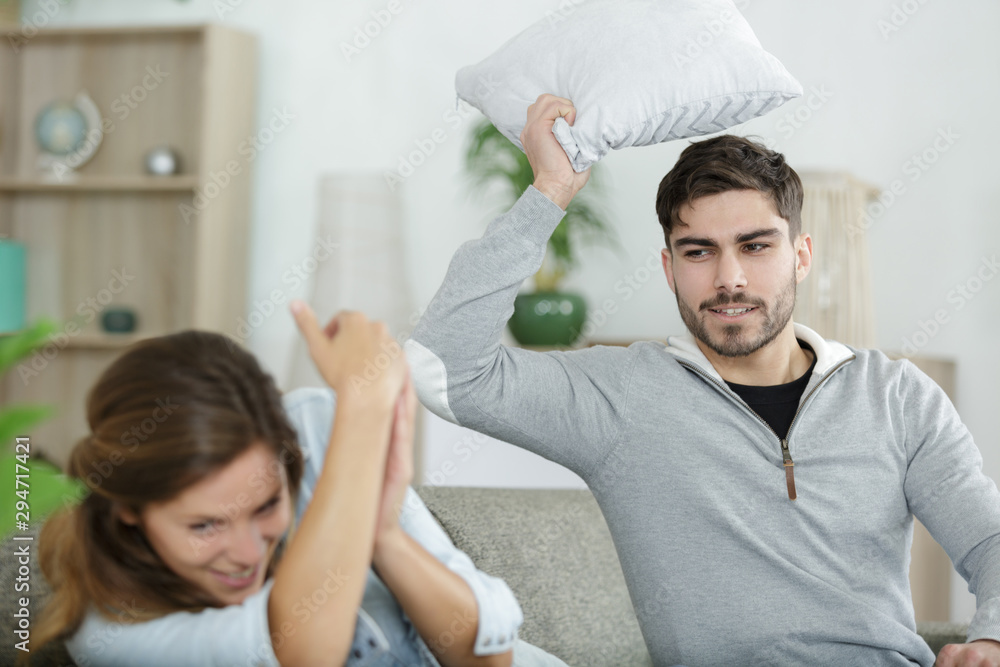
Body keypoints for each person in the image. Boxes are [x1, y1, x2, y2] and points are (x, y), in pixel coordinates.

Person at [404, 94, 1000, 666]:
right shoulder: (622, 397)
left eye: (756, 246)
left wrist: (993, 641)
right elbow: (444, 367)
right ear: (669, 268)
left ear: (802, 255)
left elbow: (988, 540)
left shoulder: (897, 396)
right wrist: (550, 191)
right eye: (698, 252)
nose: (730, 278)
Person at [31, 302, 567, 666]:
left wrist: (381, 535)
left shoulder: (317, 431)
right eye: (204, 524)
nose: (245, 553)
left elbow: (491, 656)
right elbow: (301, 649)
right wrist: (366, 407)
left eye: (265, 506)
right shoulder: (106, 629)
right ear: (129, 509)